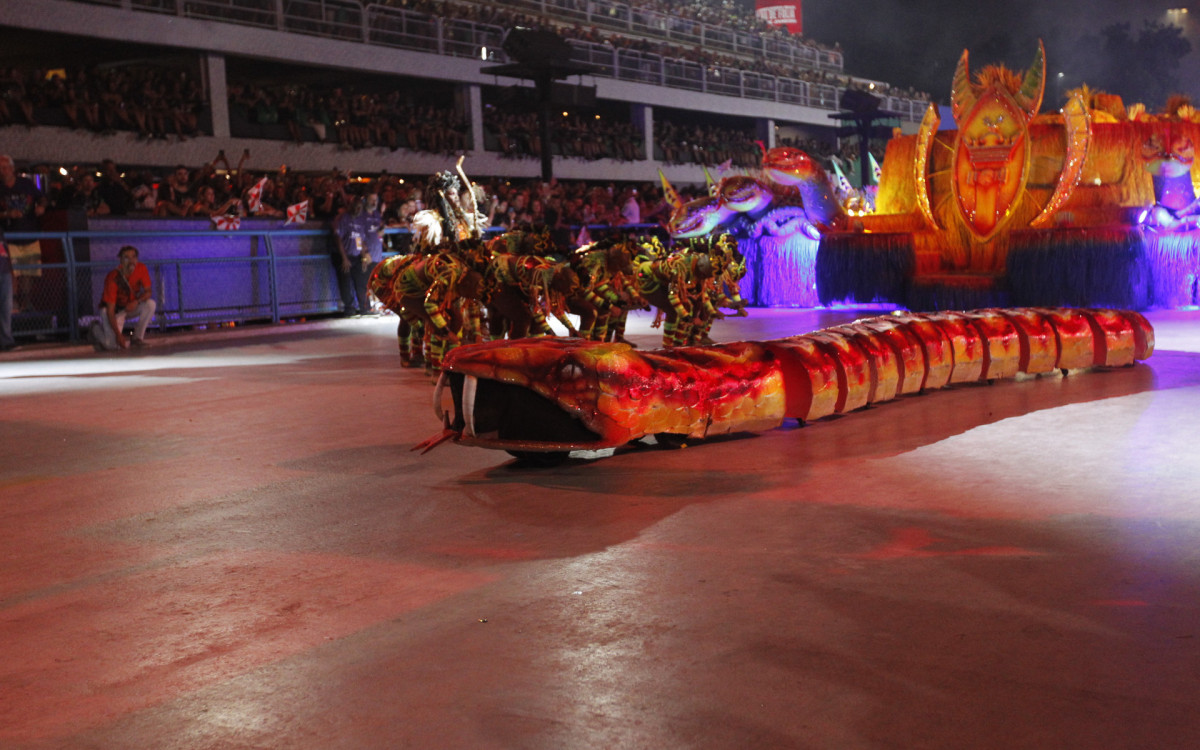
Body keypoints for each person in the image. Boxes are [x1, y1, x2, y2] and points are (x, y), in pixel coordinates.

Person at [0, 154, 46, 312]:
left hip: (30, 235)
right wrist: (7, 215)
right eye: (0, 168)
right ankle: (12, 305)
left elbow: (42, 198)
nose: (2, 171)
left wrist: (41, 207)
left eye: (5, 167)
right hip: (9, 238)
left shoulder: (25, 184)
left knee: (29, 273)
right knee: (12, 273)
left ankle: (26, 304)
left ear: (12, 169)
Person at [90, 245, 156, 350]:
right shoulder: (113, 277)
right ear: (120, 260)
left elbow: (148, 292)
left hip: (129, 306)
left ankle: (137, 338)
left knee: (151, 304)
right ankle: (95, 329)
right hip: (114, 311)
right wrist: (118, 334)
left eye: (133, 257)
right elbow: (110, 310)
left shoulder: (141, 268)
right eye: (126, 258)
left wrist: (136, 302)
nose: (131, 261)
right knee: (112, 346)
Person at [332, 195, 382, 316]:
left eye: (359, 207)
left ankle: (365, 308)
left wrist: (364, 255)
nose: (357, 209)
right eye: (355, 207)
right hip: (345, 256)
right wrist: (344, 258)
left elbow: (360, 239)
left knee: (362, 282)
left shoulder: (360, 220)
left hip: (357, 256)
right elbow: (338, 238)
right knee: (346, 283)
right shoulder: (344, 218)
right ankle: (349, 309)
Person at [0, 230, 15, 352]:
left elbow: (5, 249)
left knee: (6, 307)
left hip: (4, 270)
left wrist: (11, 271)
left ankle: (6, 340)